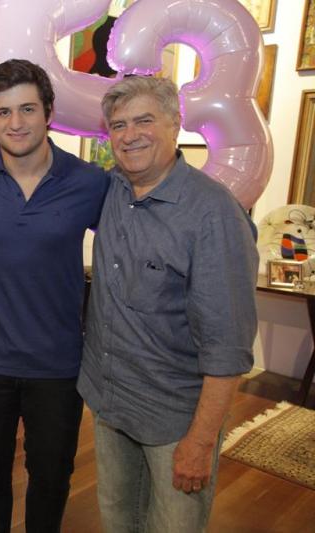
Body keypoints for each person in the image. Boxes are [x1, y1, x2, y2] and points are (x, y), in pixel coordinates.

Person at [77, 76, 258, 533]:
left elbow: (228, 346)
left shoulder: (214, 214)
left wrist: (201, 442)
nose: (130, 135)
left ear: (176, 124)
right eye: (119, 125)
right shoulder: (112, 190)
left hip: (175, 420)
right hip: (111, 402)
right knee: (118, 521)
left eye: (144, 121)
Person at [0, 59, 110, 532]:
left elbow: (135, 233)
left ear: (49, 112)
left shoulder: (89, 182)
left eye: (27, 109)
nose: (16, 123)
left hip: (58, 365)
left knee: (51, 478)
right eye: (3, 112)